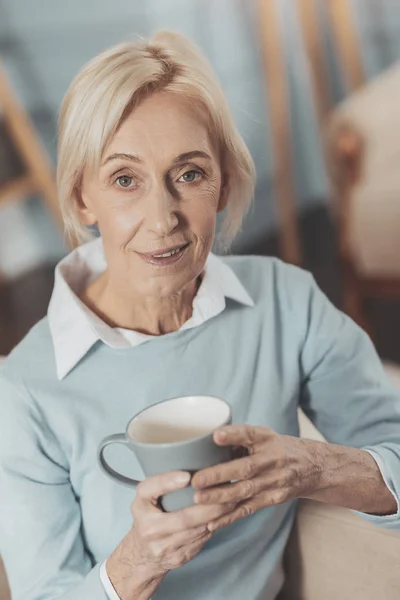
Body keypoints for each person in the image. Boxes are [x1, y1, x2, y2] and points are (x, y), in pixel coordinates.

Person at [0, 30, 399, 600]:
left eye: (188, 174)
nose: (162, 219)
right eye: (124, 180)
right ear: (82, 196)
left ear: (222, 184)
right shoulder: (25, 390)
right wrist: (136, 562)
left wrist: (313, 468)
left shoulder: (287, 303)